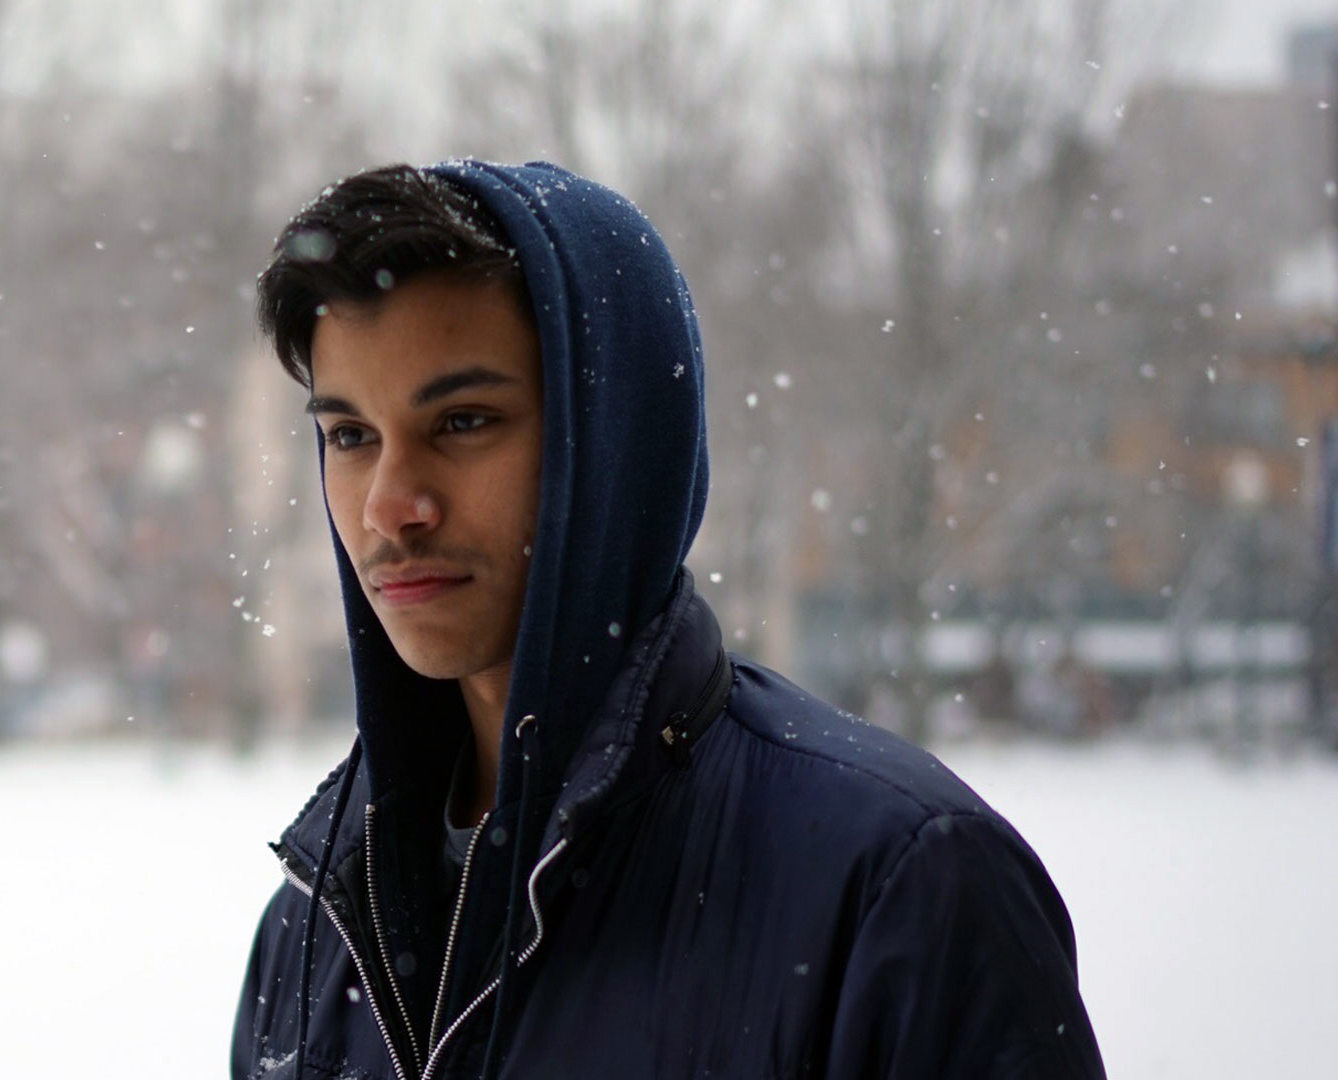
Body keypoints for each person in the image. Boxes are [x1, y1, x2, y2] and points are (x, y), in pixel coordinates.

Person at [230, 161, 1105, 1080]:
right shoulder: (317, 928)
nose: (389, 505)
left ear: (616, 448)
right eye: (350, 437)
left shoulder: (898, 887)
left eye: (463, 422)